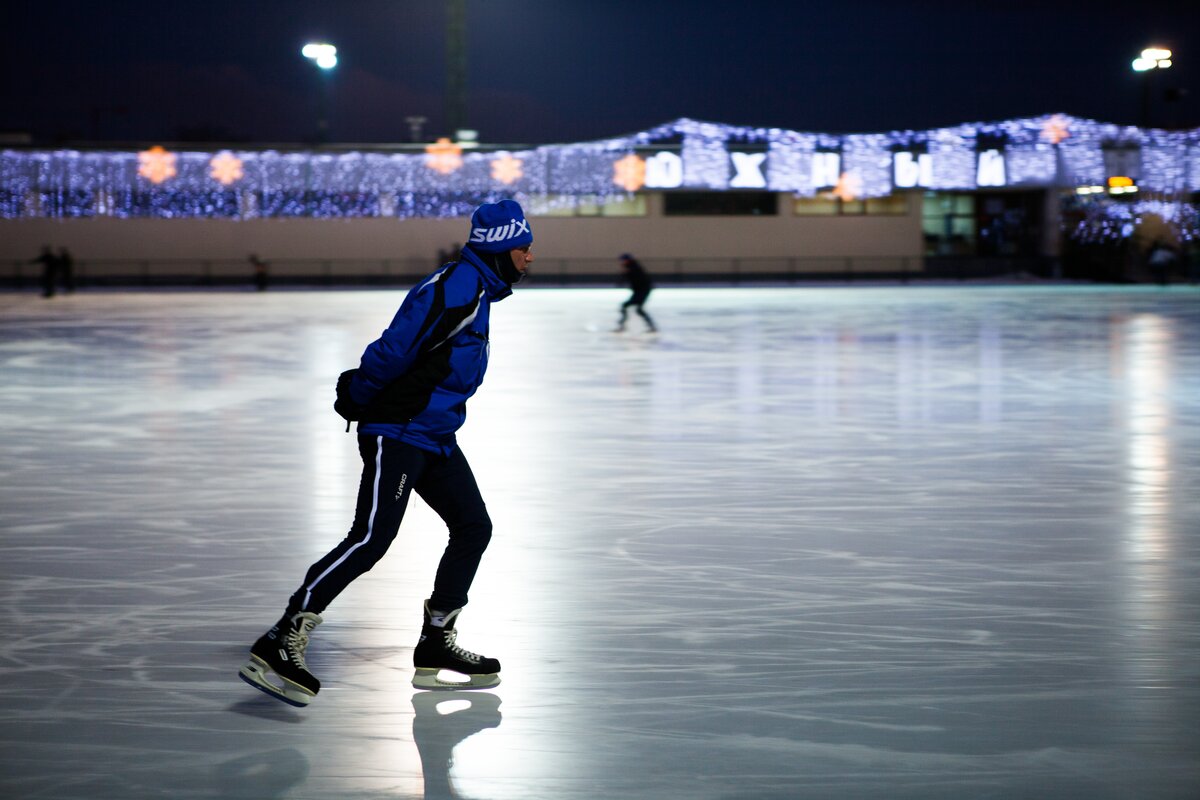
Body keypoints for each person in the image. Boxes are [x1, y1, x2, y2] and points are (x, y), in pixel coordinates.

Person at [239, 199, 535, 706]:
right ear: (502, 246)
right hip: (398, 431)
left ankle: (437, 642)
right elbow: (395, 349)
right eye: (525, 248)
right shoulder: (456, 289)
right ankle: (281, 639)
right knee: (372, 537)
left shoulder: (477, 291)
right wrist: (359, 393)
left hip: (434, 435)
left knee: (473, 527)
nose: (530, 259)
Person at [614, 253, 656, 333]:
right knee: (637, 309)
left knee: (628, 307)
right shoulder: (632, 267)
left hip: (642, 291)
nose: (621, 262)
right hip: (640, 291)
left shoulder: (633, 268)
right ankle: (651, 327)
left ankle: (622, 326)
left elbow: (638, 279)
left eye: (623, 260)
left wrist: (625, 276)